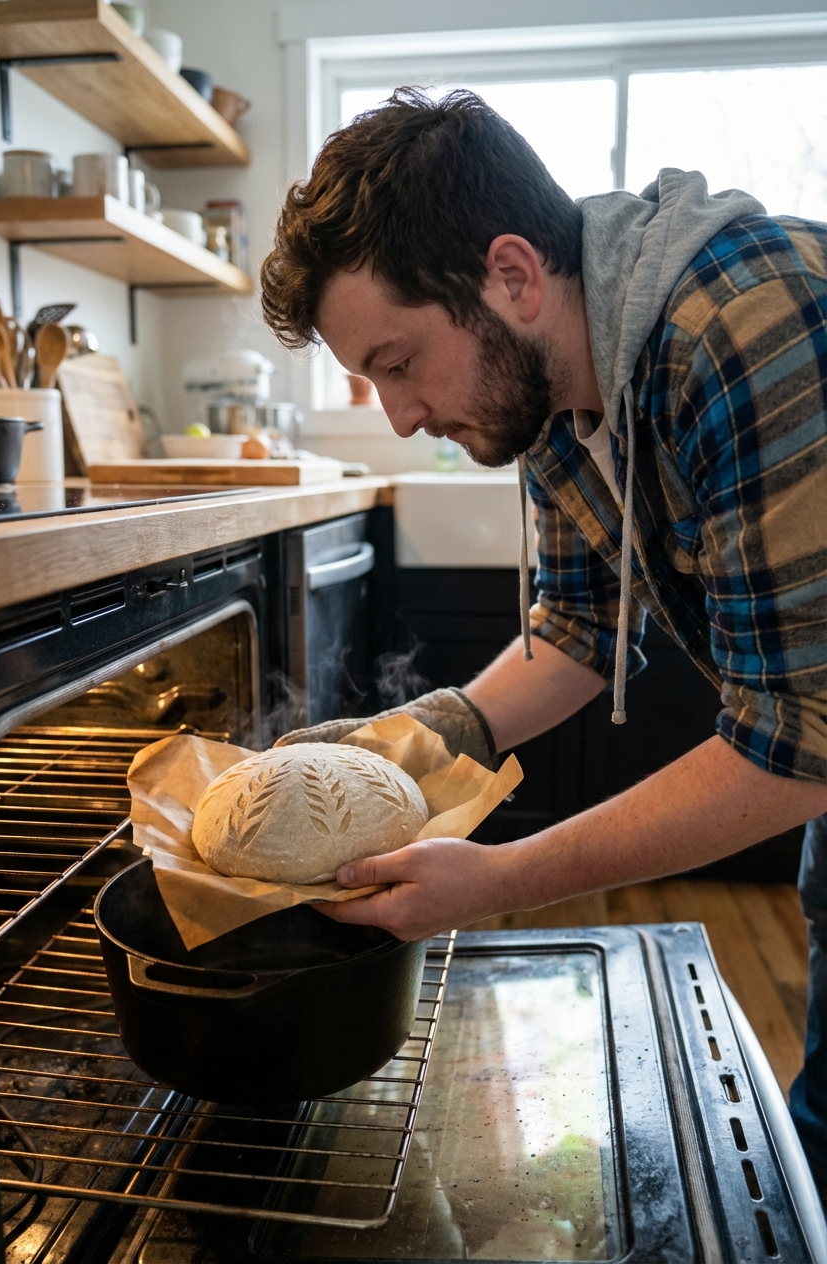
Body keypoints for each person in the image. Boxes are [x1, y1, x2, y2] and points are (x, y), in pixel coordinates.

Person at [260, 89, 827, 1197]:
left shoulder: (744, 327)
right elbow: (573, 630)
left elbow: (802, 734)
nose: (399, 416)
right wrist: (415, 739)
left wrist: (494, 879)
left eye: (399, 361)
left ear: (511, 276)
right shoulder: (555, 395)